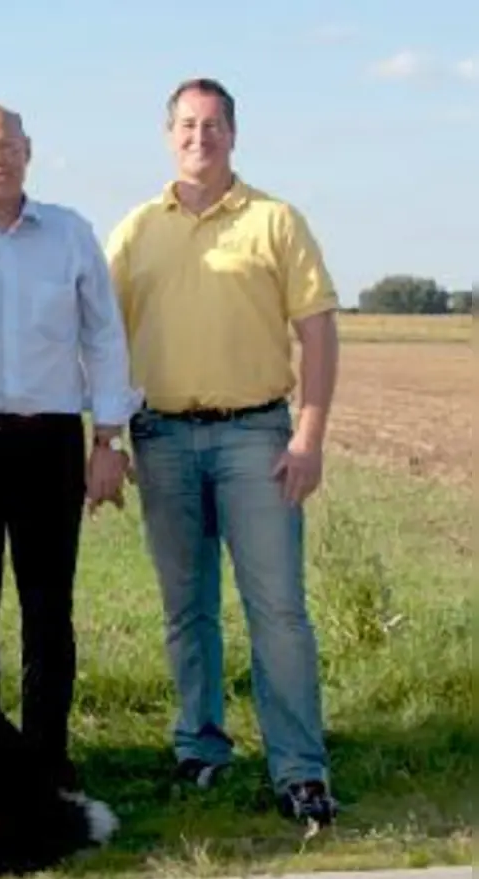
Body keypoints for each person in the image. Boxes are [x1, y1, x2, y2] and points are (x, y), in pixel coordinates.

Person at [104, 77, 340, 827]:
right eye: (185, 125)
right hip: (164, 438)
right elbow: (102, 342)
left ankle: (300, 770)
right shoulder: (136, 230)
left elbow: (318, 331)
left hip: (257, 437)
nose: (198, 137)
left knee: (278, 610)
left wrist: (309, 432)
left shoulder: (276, 221)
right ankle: (200, 748)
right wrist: (103, 439)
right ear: (167, 134)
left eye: (211, 125)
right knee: (187, 609)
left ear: (233, 134)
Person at [0, 103, 137, 789]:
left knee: (49, 611)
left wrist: (107, 438)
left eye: (6, 145)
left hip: (50, 445)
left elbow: (104, 337)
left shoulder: (70, 236)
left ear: (29, 151)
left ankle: (46, 761)